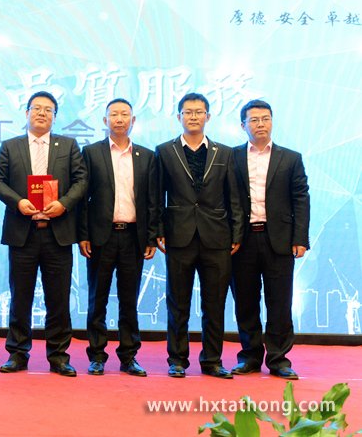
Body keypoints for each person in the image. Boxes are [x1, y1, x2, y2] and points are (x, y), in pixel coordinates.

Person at [0, 91, 88, 377]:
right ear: (27, 113)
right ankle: (17, 353)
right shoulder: (11, 146)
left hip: (58, 233)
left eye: (48, 110)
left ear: (55, 117)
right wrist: (18, 202)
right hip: (23, 233)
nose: (42, 113)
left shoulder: (68, 145)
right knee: (20, 297)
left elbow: (82, 181)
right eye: (37, 108)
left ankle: (58, 356)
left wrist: (64, 204)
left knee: (58, 299)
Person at [155, 92, 244, 379]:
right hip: (178, 236)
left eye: (199, 112)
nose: (193, 116)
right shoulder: (164, 151)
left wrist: (236, 232)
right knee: (177, 303)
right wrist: (158, 230)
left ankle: (212, 360)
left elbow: (234, 197)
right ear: (178, 116)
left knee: (214, 303)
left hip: (217, 237)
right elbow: (156, 196)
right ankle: (177, 360)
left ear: (208, 116)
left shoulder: (224, 153)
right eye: (188, 112)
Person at [230, 99, 309, 380]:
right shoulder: (232, 157)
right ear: (243, 125)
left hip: (280, 239)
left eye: (265, 118)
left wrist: (300, 237)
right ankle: (250, 356)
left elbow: (301, 199)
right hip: (242, 240)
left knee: (280, 301)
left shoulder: (290, 158)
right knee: (245, 301)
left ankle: (279, 359)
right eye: (254, 120)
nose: (260, 124)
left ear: (272, 121)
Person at [78, 98, 157, 377]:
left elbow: (152, 201)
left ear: (133, 121)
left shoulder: (147, 156)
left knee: (129, 299)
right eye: (114, 115)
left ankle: (129, 356)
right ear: (105, 120)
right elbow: (82, 198)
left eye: (125, 114)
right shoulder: (91, 153)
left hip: (134, 237)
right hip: (102, 236)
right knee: (97, 298)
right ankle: (97, 355)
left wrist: (151, 237)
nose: (119, 119)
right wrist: (83, 234)